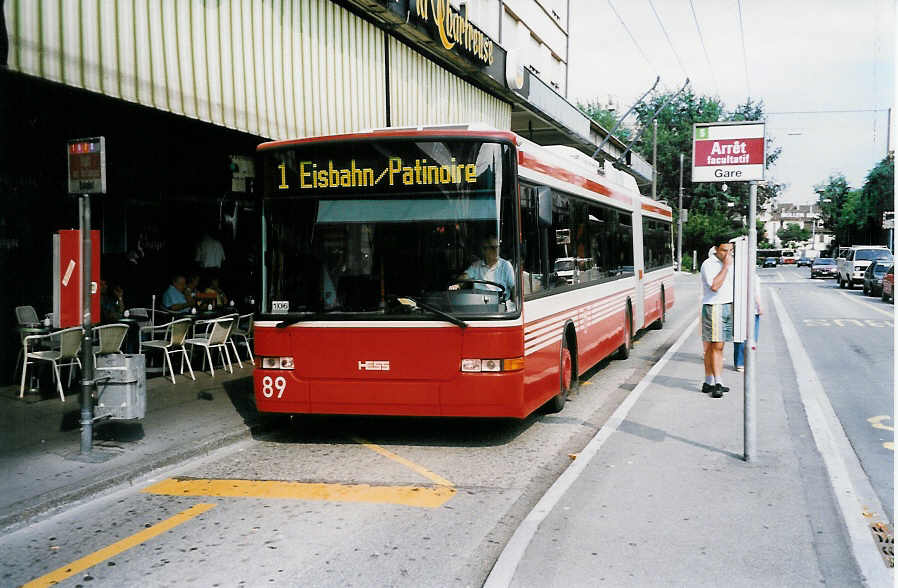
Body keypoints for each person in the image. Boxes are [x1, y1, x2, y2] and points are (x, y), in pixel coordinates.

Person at [700, 237, 734, 398]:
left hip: (726, 305)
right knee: (716, 347)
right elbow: (715, 286)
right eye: (724, 250)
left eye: (730, 250)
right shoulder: (709, 264)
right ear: (715, 249)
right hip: (715, 306)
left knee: (714, 347)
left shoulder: (729, 262)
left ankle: (708, 381)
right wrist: (726, 267)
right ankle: (717, 382)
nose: (727, 254)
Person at [449, 235, 515, 298]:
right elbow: (464, 277)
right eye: (492, 248)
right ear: (484, 250)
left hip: (500, 304)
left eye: (497, 247)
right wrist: (457, 285)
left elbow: (514, 288)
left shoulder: (506, 265)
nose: (496, 251)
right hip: (479, 304)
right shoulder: (476, 266)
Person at [733, 269, 762, 372]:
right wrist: (759, 306)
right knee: (751, 337)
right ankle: (745, 362)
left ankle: (739, 362)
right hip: (751, 310)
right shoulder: (753, 277)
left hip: (739, 309)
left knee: (739, 336)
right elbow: (755, 293)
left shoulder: (737, 274)